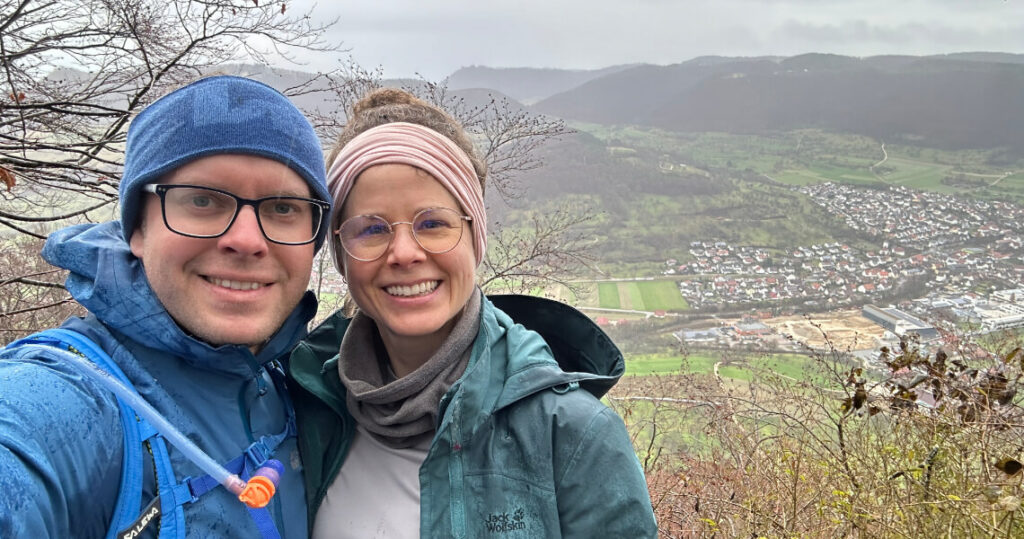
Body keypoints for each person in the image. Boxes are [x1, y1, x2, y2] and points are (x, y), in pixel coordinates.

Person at [287, 88, 657, 538]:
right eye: (371, 229)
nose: (404, 253)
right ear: (342, 254)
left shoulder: (572, 435)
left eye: (432, 223)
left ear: (474, 237)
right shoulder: (306, 406)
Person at [0, 75, 331, 538]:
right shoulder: (73, 398)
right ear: (137, 230)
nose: (247, 241)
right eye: (202, 200)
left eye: (282, 208)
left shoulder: (293, 386)